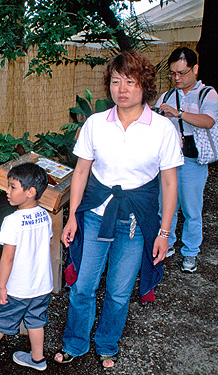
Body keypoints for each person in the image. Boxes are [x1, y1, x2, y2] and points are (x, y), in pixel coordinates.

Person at [54, 50, 184, 369]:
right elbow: (82, 171)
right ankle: (76, 342)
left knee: (118, 291)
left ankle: (107, 343)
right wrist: (72, 217)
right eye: (115, 81)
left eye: (130, 81)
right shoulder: (96, 124)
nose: (121, 89)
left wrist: (165, 232)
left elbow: (169, 184)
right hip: (97, 216)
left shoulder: (163, 129)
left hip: (136, 223)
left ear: (145, 86)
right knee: (83, 286)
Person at [0, 162, 53, 372]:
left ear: (30, 192)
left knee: (1, 318)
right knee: (36, 321)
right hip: (41, 286)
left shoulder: (12, 220)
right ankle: (37, 359)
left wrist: (1, 287)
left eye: (13, 187)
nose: (7, 191)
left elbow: (7, 258)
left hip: (18, 287)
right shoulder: (45, 216)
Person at [156, 47, 218, 273]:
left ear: (195, 69)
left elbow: (208, 121)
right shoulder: (167, 96)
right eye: (173, 74)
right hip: (170, 161)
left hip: (193, 161)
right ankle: (167, 243)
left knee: (192, 209)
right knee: (166, 206)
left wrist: (178, 114)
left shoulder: (207, 93)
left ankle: (191, 251)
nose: (177, 78)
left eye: (182, 73)